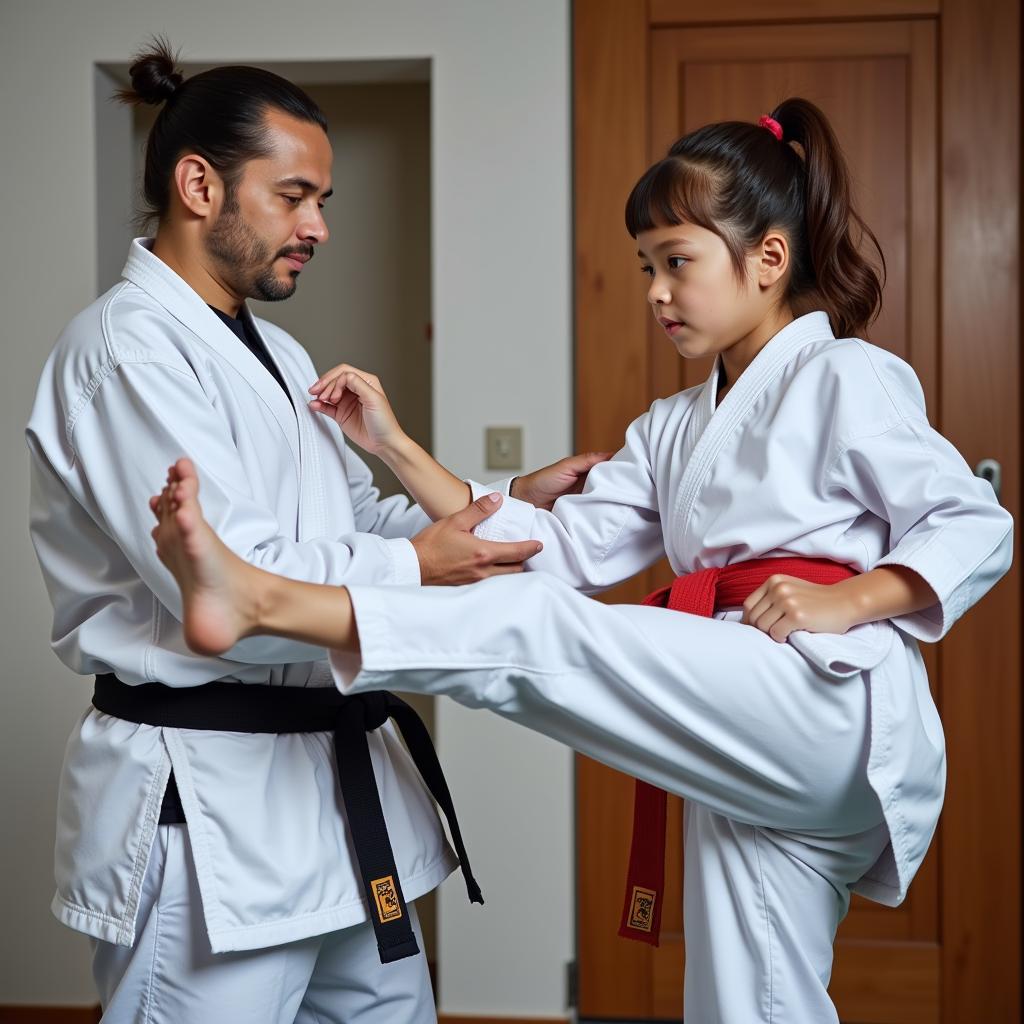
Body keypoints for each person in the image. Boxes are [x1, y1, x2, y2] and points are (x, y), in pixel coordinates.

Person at [148, 98, 1013, 1023]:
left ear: (769, 259)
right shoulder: (674, 426)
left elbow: (976, 523)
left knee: (540, 631)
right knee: (750, 998)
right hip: (736, 710)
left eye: (678, 262)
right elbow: (541, 551)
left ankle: (263, 601)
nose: (654, 291)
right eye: (647, 267)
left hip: (827, 700)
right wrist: (396, 449)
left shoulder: (847, 375)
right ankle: (259, 596)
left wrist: (851, 601)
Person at [25, 39, 602, 1024]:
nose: (318, 226)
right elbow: (232, 582)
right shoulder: (126, 351)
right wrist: (420, 560)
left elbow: (350, 524)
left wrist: (504, 499)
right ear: (198, 185)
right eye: (294, 196)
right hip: (211, 811)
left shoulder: (279, 350)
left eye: (321, 201)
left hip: (333, 801)